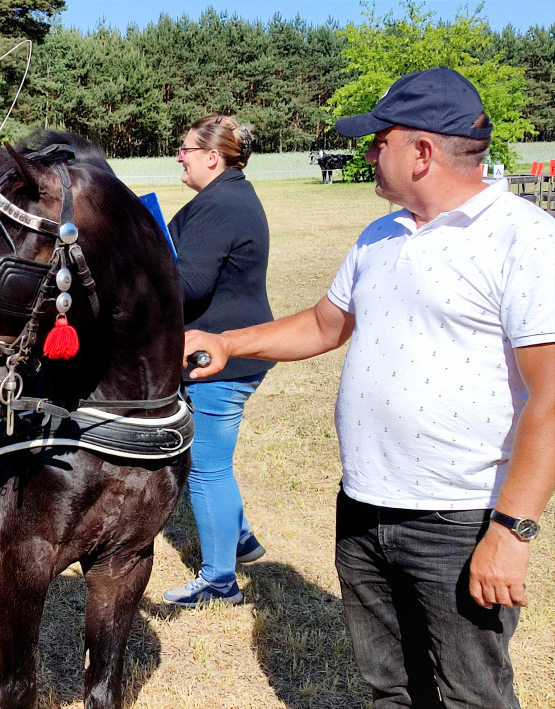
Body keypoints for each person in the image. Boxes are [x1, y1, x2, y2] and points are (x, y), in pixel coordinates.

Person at [185, 67, 554, 706]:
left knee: (470, 695)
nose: (367, 153)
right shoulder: (380, 235)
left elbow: (551, 396)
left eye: (378, 141)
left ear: (422, 151)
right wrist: (228, 343)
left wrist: (511, 532)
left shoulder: (523, 237)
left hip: (458, 518)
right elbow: (326, 325)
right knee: (389, 688)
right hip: (362, 505)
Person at [162, 114, 275, 608]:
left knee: (206, 468)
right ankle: (242, 539)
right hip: (228, 348)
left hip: (220, 359)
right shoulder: (225, 196)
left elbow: (188, 286)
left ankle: (219, 579)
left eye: (185, 148)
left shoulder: (220, 206)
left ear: (212, 157)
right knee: (208, 460)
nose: (179, 156)